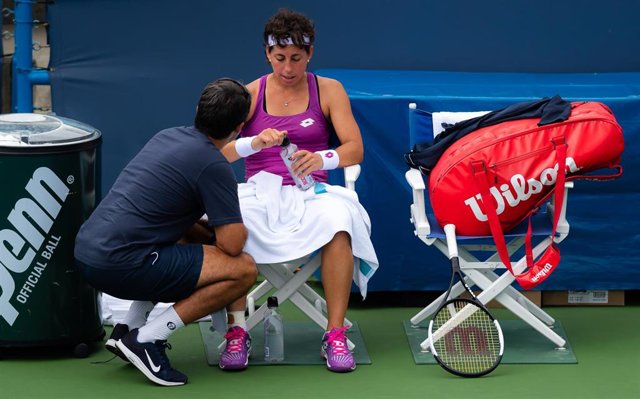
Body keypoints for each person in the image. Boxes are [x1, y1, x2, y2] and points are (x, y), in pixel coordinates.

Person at [218, 8, 379, 373]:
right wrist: (254, 143)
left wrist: (322, 159)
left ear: (309, 54)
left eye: (296, 58)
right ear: (266, 54)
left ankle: (335, 333)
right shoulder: (248, 94)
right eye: (279, 59)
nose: (287, 68)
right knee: (231, 228)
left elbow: (355, 148)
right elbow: (220, 153)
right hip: (260, 193)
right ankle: (237, 330)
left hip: (311, 194)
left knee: (340, 223)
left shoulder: (329, 90)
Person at [74, 78, 258, 386]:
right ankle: (147, 339)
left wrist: (202, 232)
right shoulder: (215, 166)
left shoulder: (166, 136)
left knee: (185, 237)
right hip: (121, 265)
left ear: (198, 110)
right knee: (242, 269)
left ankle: (127, 327)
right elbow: (231, 244)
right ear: (239, 127)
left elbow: (167, 214)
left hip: (87, 253)